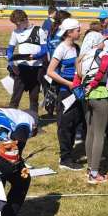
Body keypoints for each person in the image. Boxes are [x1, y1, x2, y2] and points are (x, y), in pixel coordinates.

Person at [46, 17, 85, 171]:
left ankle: (69, 154)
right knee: (65, 126)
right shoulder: (61, 48)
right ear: (69, 33)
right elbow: (50, 71)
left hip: (77, 91)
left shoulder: (77, 47)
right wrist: (69, 83)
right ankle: (65, 159)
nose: (80, 32)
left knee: (76, 122)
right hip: (65, 92)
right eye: (78, 30)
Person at [74, 31, 108, 184]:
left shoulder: (82, 57)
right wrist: (94, 85)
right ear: (96, 43)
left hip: (85, 97)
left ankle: (90, 168)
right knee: (99, 134)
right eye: (103, 40)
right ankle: (95, 174)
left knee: (90, 132)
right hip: (99, 95)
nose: (105, 43)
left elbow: (76, 78)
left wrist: (82, 90)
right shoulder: (103, 54)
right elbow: (104, 69)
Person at [6, 9, 46, 116]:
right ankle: (11, 121)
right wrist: (11, 63)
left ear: (25, 19)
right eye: (15, 24)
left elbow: (45, 50)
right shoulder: (15, 32)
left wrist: (34, 56)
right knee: (15, 98)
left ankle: (34, 123)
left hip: (37, 69)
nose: (17, 26)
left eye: (18, 24)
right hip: (22, 69)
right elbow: (9, 50)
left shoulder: (39, 30)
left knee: (34, 98)